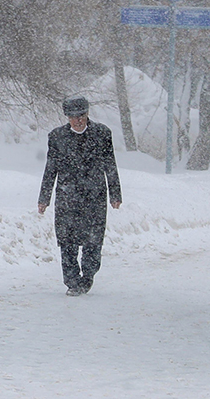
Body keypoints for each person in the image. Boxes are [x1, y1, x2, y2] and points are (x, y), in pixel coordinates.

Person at [38, 96, 122, 296]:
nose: (78, 120)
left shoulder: (101, 134)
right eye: (73, 117)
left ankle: (88, 276)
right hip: (67, 196)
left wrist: (115, 193)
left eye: (81, 115)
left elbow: (110, 164)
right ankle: (72, 281)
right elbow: (50, 168)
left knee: (93, 241)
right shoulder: (57, 137)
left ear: (87, 114)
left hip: (95, 196)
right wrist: (44, 198)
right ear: (67, 117)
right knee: (67, 241)